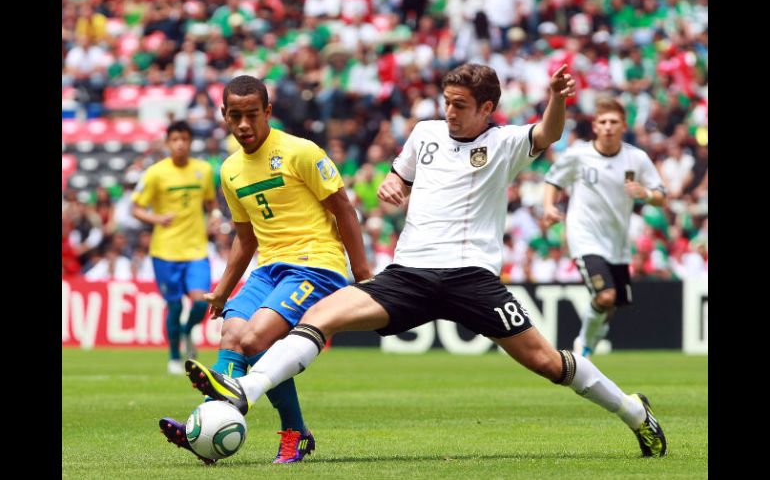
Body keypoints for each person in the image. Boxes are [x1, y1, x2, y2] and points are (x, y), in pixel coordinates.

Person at [183, 64, 667, 459]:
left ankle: (632, 412)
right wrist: (396, 184)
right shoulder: (424, 135)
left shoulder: (503, 144)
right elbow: (402, 176)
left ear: (487, 109)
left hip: (472, 278)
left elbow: (548, 131)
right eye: (447, 103)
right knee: (316, 318)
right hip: (409, 273)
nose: (450, 113)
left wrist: (557, 99)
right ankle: (244, 390)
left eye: (460, 105)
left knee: (548, 362)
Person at [158, 76, 371, 464]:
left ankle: (280, 432)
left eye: (252, 115)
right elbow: (245, 237)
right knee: (232, 335)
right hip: (269, 267)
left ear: (267, 112)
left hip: (316, 265)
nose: (244, 125)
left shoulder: (300, 151)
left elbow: (343, 208)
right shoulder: (229, 170)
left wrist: (363, 274)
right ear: (223, 115)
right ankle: (210, 429)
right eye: (235, 116)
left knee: (257, 340)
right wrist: (223, 289)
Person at [542, 97, 666, 358]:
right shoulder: (578, 155)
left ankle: (593, 338)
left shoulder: (637, 158)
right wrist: (549, 207)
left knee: (610, 305)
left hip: (617, 243)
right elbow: (552, 180)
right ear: (595, 126)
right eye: (603, 122)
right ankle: (582, 347)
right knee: (606, 295)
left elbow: (661, 195)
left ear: (623, 125)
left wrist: (645, 193)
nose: (608, 126)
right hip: (584, 236)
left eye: (614, 122)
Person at [132, 121, 218, 375]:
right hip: (165, 251)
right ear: (168, 143)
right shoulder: (156, 173)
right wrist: (156, 219)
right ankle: (173, 356)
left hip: (196, 250)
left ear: (191, 142)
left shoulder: (203, 170)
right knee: (175, 306)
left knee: (201, 303)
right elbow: (135, 208)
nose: (180, 144)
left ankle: (187, 330)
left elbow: (211, 203)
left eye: (185, 139)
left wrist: (213, 215)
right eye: (175, 139)